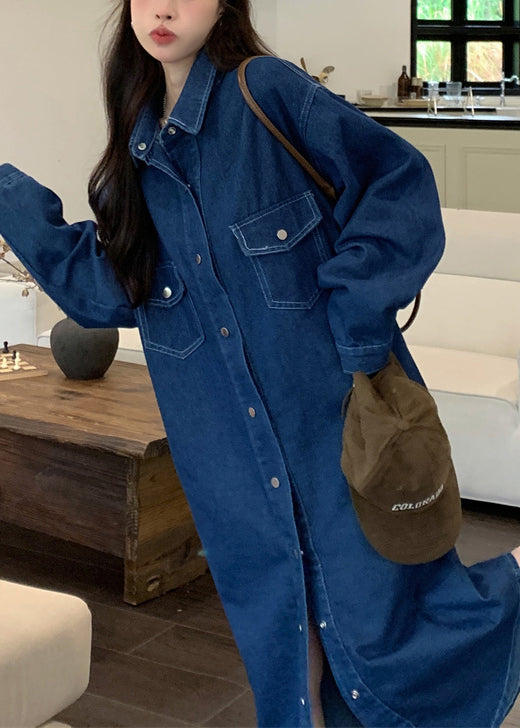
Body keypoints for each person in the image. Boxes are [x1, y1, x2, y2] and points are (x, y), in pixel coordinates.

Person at [1, 1, 520, 726]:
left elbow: (397, 186)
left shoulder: (267, 92)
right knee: (281, 634)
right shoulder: (139, 148)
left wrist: (357, 323)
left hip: (335, 424)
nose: (164, 7)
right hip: (224, 454)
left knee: (387, 618)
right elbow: (108, 290)